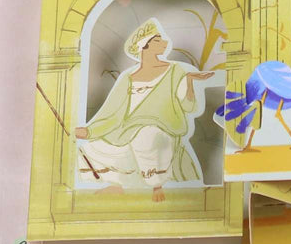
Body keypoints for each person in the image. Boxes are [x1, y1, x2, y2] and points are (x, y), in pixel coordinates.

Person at [74, 18, 215, 202]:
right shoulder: (129, 77)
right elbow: (113, 112)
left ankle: (157, 185)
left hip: (162, 127)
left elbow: (189, 107)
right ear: (144, 47)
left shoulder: (175, 71)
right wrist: (90, 131)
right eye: (157, 39)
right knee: (91, 148)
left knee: (146, 136)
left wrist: (189, 81)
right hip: (127, 129)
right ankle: (117, 185)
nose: (164, 42)